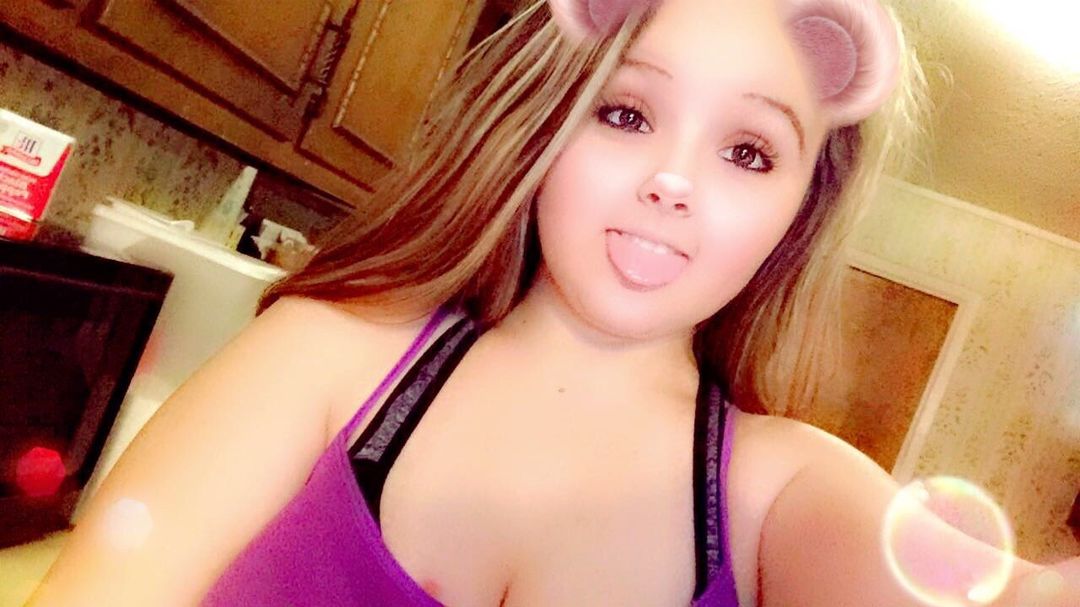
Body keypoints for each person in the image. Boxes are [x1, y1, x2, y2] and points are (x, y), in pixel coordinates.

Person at [28, 0, 1079, 605]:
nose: (673, 181)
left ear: (796, 211)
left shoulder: (781, 489)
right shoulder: (327, 357)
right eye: (625, 114)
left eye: (749, 151)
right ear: (545, 129)